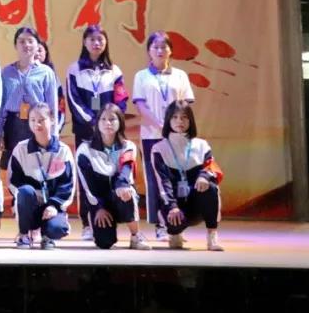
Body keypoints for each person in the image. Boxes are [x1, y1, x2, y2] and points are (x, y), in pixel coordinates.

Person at [65, 24, 127, 240]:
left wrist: (111, 122)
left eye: (100, 39)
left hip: (110, 132)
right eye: (92, 39)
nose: (96, 43)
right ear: (84, 42)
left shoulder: (114, 71)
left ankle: (111, 218)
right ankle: (87, 224)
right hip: (86, 130)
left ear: (106, 42)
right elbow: (73, 99)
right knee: (86, 176)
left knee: (112, 174)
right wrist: (93, 122)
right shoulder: (74, 69)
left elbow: (121, 100)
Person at [132, 30, 195, 240]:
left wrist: (174, 127)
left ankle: (176, 224)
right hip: (151, 135)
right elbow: (140, 105)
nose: (160, 51)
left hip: (177, 136)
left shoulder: (180, 75)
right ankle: (160, 224)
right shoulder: (141, 76)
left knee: (177, 178)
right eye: (155, 47)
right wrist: (159, 125)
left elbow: (185, 105)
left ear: (170, 50)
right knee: (155, 180)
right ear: (149, 51)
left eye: (164, 47)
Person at [151, 100, 224, 251]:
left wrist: (204, 176)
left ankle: (212, 235)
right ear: (168, 120)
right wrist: (172, 206)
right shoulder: (159, 149)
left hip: (196, 204)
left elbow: (211, 166)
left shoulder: (201, 145)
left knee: (211, 188)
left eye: (184, 117)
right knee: (173, 220)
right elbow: (162, 183)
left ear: (190, 121)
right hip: (174, 206)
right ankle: (175, 233)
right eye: (175, 117)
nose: (180, 121)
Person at [76, 104, 150, 250]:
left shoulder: (128, 146)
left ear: (120, 122)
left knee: (127, 191)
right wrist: (99, 207)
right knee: (104, 243)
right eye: (103, 119)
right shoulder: (85, 150)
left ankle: (136, 236)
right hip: (99, 202)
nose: (107, 123)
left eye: (112, 119)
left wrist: (122, 187)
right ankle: (95, 222)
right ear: (97, 123)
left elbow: (125, 174)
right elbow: (87, 186)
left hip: (120, 196)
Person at [8, 103, 75, 250]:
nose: (37, 124)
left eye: (41, 120)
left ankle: (47, 236)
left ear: (52, 120)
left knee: (58, 228)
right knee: (25, 191)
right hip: (30, 205)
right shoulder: (21, 149)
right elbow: (13, 181)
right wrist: (28, 199)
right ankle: (24, 234)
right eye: (32, 120)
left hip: (52, 205)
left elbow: (68, 185)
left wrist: (53, 205)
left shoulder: (63, 151)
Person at [0, 27, 58, 167]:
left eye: (30, 41)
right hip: (13, 125)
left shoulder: (46, 72)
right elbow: (1, 104)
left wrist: (53, 133)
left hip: (38, 124)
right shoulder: (6, 72)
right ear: (15, 45)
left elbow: (52, 105)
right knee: (15, 167)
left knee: (37, 166)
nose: (26, 45)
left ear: (38, 45)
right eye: (21, 41)